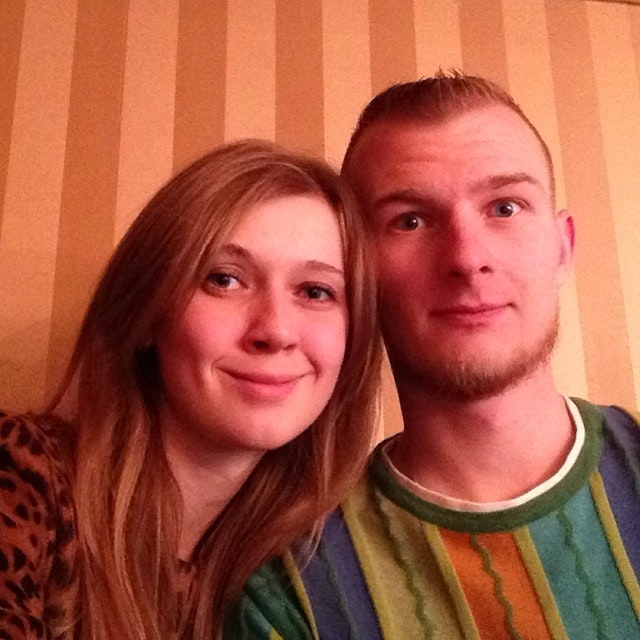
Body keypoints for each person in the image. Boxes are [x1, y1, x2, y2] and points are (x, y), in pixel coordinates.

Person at [225, 72, 640, 639]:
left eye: (506, 208)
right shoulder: (287, 588)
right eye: (410, 220)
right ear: (358, 273)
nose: (467, 259)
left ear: (563, 246)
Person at [0, 140, 382, 640]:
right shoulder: (20, 476)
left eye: (315, 291)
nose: (276, 330)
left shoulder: (298, 577)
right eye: (225, 280)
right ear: (147, 314)